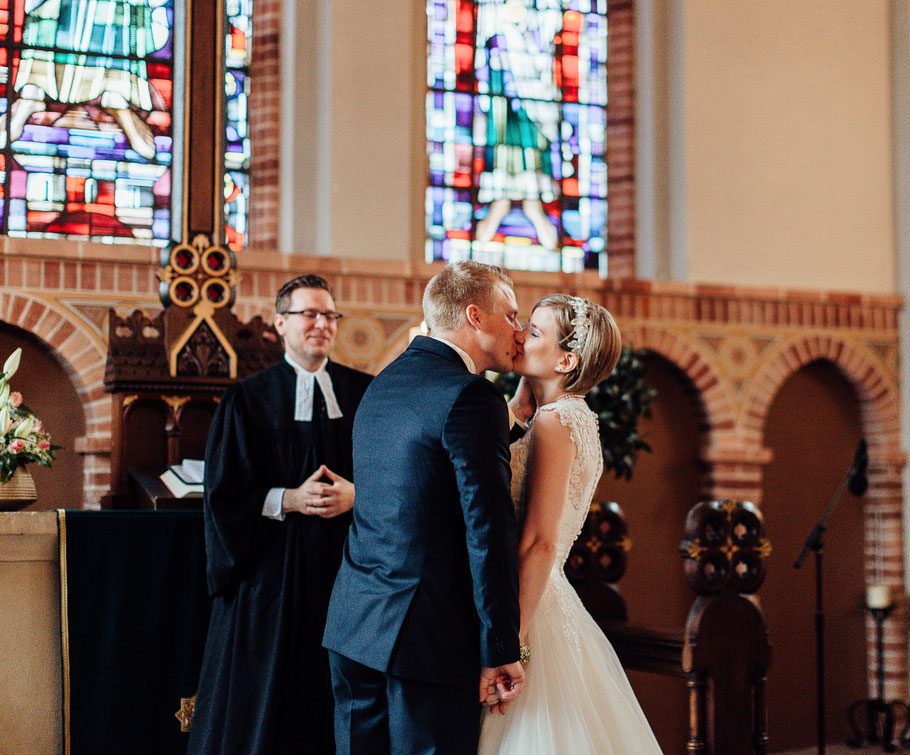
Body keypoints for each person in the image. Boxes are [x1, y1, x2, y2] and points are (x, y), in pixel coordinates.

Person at [323, 260, 527, 754]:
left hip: (355, 626)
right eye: (512, 315)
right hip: (427, 640)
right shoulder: (471, 396)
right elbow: (487, 531)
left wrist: (514, 421)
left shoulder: (383, 384)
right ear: (475, 317)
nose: (518, 331)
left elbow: (413, 488)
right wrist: (499, 646)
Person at [187, 274, 373, 755]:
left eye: (329, 315)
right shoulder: (247, 399)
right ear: (279, 324)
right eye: (308, 314)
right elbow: (223, 494)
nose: (321, 325)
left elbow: (401, 476)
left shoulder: (365, 393)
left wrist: (358, 495)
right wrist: (288, 499)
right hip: (274, 573)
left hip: (349, 568)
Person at [478, 294, 662, 754]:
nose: (520, 335)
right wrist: (519, 409)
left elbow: (539, 541)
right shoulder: (566, 415)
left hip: (531, 604)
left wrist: (510, 645)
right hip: (548, 596)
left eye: (535, 332)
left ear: (567, 358)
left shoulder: (556, 422)